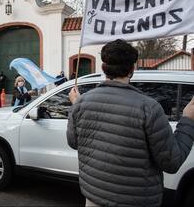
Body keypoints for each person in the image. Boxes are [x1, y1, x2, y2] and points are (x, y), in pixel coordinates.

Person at [67, 39, 194, 207]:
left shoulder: (81, 103)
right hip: (135, 200)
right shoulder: (149, 108)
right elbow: (171, 162)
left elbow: (74, 142)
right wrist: (188, 120)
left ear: (104, 68)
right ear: (132, 69)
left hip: (93, 196)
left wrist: (77, 105)